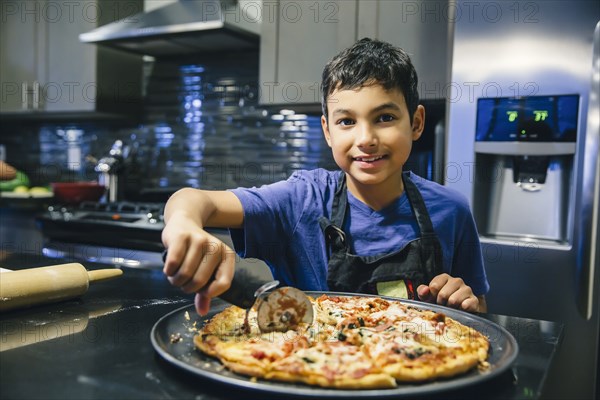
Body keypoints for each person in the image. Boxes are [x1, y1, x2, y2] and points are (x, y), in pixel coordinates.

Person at [162, 38, 489, 316]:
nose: (365, 139)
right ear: (327, 131)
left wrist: (463, 304)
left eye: (385, 117)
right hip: (311, 366)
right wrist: (183, 225)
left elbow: (478, 312)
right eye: (347, 121)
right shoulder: (301, 199)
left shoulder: (452, 211)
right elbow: (193, 200)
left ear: (416, 123)